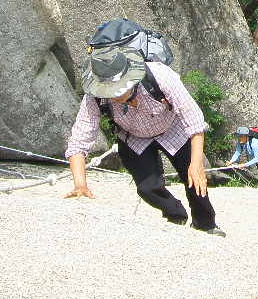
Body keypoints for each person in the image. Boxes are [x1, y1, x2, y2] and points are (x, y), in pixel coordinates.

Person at [64, 47, 225, 236]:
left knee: (194, 179)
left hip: (172, 128)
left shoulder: (160, 76)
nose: (116, 95)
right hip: (134, 137)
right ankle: (175, 214)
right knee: (147, 188)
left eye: (120, 88)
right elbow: (80, 140)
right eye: (110, 91)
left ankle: (205, 224)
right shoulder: (95, 96)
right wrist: (80, 184)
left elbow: (194, 120)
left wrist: (196, 163)